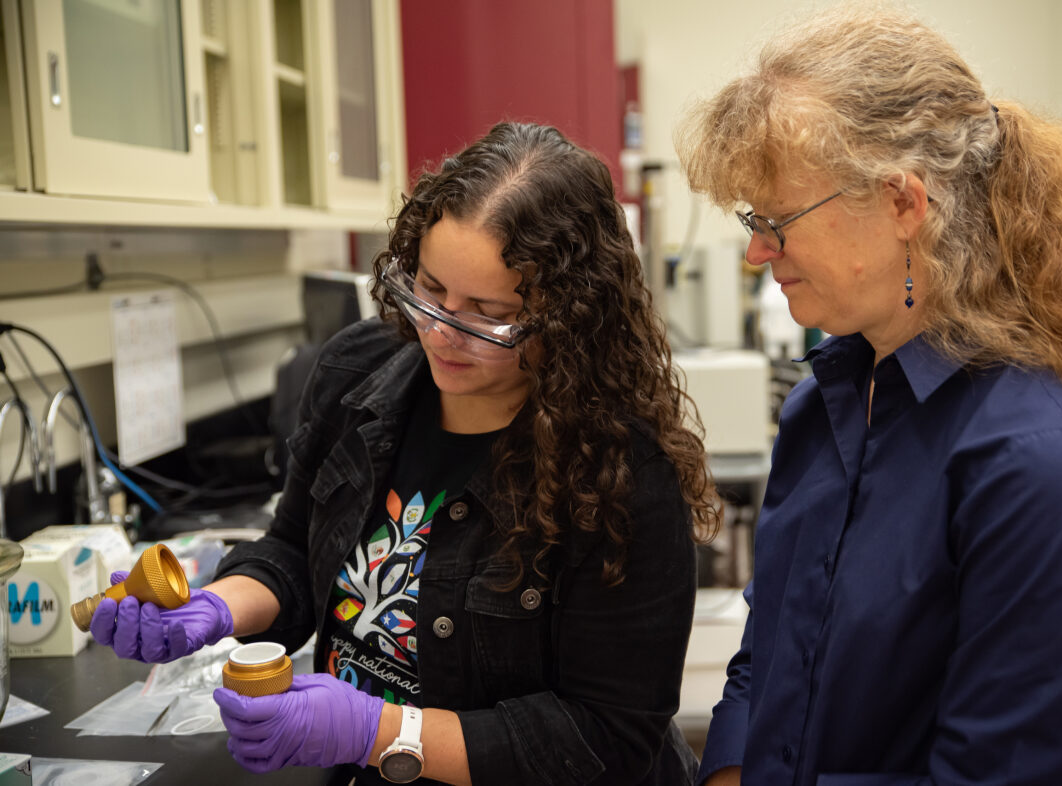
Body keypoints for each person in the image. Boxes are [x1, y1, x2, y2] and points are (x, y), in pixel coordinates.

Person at [90, 121, 722, 785]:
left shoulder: (620, 471)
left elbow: (606, 738)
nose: (441, 332)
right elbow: (295, 551)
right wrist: (215, 608)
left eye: (486, 312)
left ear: (568, 315)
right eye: (428, 289)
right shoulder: (355, 372)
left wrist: (377, 730)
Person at [674, 6, 1062, 786]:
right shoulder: (823, 409)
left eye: (779, 221)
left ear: (905, 204)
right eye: (752, 219)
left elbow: (1000, 773)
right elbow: (765, 659)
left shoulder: (1039, 459)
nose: (755, 251)